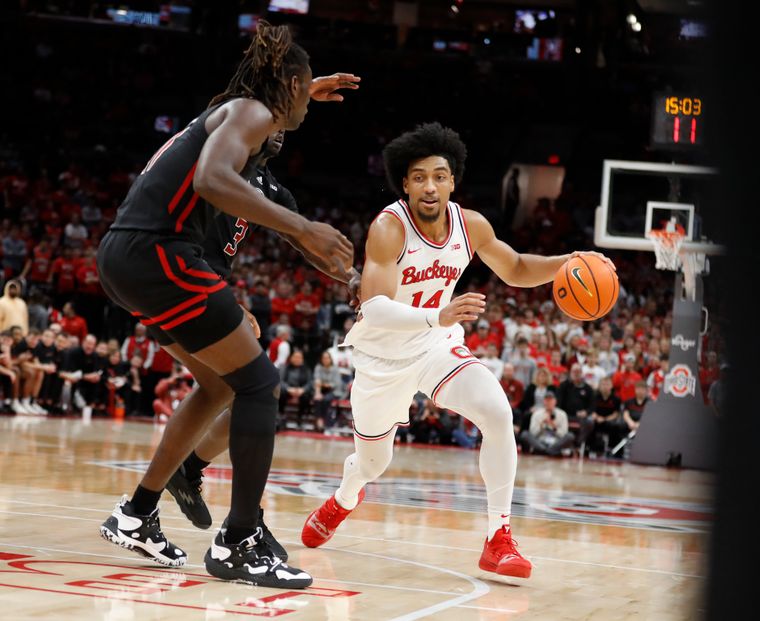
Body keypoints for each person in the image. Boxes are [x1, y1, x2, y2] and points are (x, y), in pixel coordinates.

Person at [95, 21, 354, 589]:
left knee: (219, 386)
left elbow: (251, 188)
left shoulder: (254, 140)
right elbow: (213, 176)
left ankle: (137, 511)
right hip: (159, 253)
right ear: (286, 86)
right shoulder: (251, 113)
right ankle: (240, 540)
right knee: (259, 384)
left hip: (128, 257)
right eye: (303, 90)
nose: (305, 113)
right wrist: (305, 227)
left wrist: (329, 256)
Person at [299, 123, 613, 579]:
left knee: (498, 411)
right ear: (404, 184)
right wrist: (439, 316)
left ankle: (498, 538)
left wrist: (568, 263)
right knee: (373, 462)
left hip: (435, 347)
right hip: (383, 357)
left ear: (453, 180)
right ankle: (346, 497)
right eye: (420, 177)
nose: (430, 186)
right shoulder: (389, 228)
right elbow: (375, 308)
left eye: (439, 176)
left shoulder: (471, 225)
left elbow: (517, 267)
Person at [519, 390, 574, 456]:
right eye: (547, 400)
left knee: (570, 436)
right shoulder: (537, 414)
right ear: (543, 401)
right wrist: (541, 425)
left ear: (555, 401)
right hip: (540, 440)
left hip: (556, 441)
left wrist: (554, 427)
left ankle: (545, 451)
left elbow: (564, 433)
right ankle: (549, 451)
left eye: (550, 400)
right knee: (524, 434)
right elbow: (532, 433)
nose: (549, 402)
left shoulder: (562, 414)